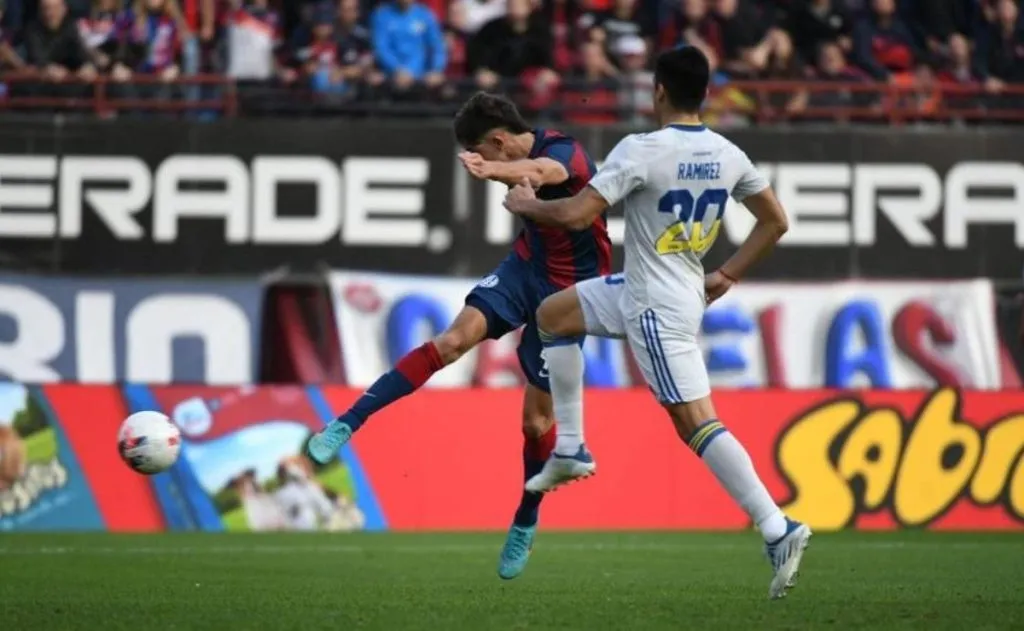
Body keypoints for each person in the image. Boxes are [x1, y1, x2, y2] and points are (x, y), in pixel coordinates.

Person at [502, 46, 810, 600]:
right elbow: (776, 221)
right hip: (668, 287)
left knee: (694, 422)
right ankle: (570, 447)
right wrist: (728, 275)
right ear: (706, 93)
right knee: (553, 314)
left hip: (654, 308)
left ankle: (775, 526)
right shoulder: (727, 152)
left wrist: (526, 204)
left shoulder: (641, 150)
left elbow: (575, 214)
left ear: (659, 91)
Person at [307, 91, 608, 580]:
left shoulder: (566, 150)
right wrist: (497, 172)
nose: (484, 165)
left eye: (484, 155)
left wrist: (493, 172)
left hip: (570, 294)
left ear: (498, 141)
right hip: (524, 270)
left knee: (536, 424)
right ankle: (346, 422)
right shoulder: (510, 160)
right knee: (450, 343)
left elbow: (550, 175)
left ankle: (526, 519)